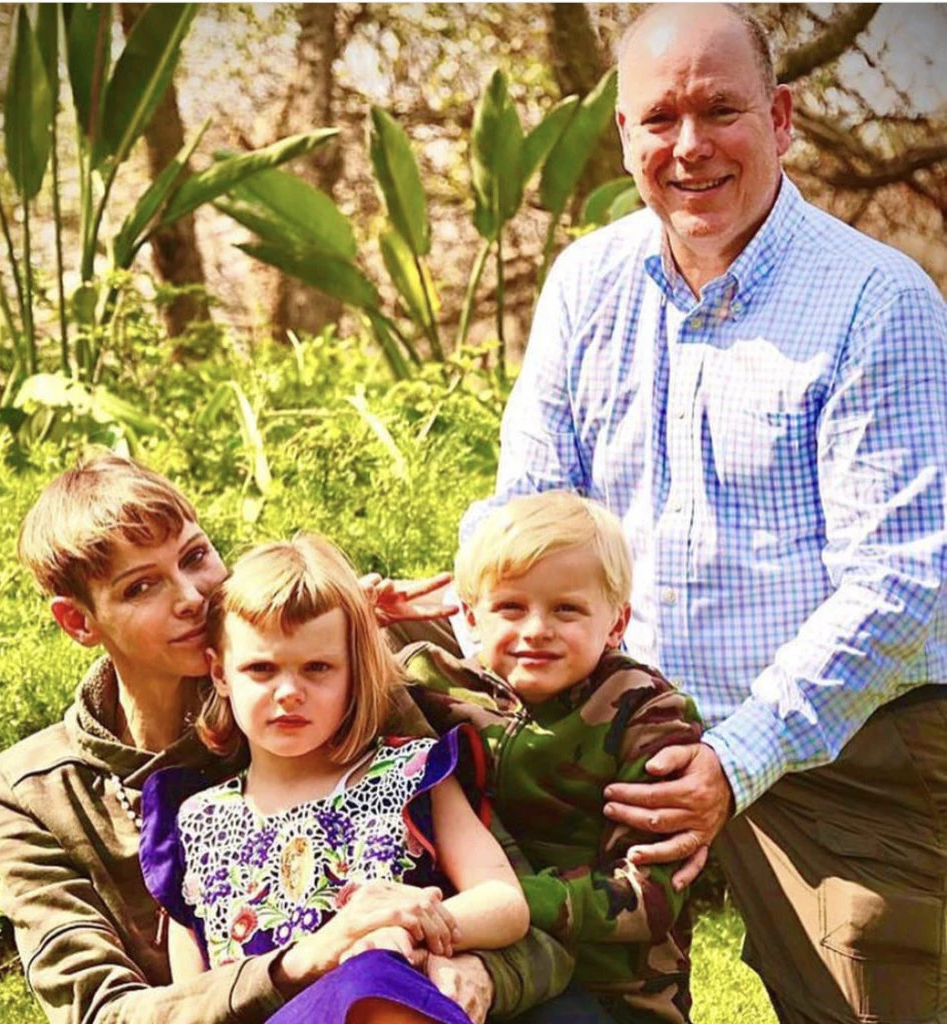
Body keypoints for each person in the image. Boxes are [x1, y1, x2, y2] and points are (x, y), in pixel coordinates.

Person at [462, 5, 947, 1024]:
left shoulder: (875, 300)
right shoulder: (585, 283)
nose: (688, 146)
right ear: (625, 133)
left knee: (874, 1000)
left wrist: (736, 756)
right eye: (658, 119)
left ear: (779, 118)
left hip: (838, 745)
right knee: (506, 975)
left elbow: (903, 583)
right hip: (606, 731)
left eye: (720, 111)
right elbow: (526, 510)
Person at [0, 454, 570, 1024]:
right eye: (141, 588)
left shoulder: (341, 702)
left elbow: (531, 920)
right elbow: (103, 1013)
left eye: (196, 555)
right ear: (79, 622)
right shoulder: (31, 794)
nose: (192, 596)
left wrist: (479, 971)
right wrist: (304, 960)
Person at [140, 533, 531, 1024]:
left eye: (318, 668)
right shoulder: (195, 821)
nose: (289, 693)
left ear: (354, 672)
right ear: (220, 673)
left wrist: (412, 927)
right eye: (261, 669)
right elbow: (196, 998)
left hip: (383, 1004)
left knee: (373, 981)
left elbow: (505, 903)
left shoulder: (408, 774)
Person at [401, 491, 702, 1024]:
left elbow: (649, 894)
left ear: (616, 623)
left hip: (615, 987)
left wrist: (511, 903)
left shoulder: (647, 715)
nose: (537, 629)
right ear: (470, 616)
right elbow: (325, 681)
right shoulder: (434, 685)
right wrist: (359, 608)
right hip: (478, 955)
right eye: (511, 607)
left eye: (567, 609)